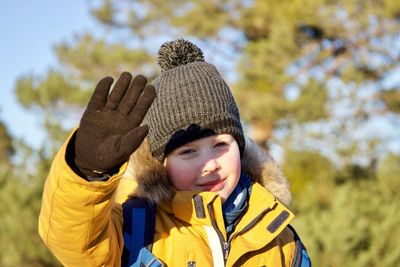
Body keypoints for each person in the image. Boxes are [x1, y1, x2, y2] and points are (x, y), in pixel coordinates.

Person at [39, 39, 311, 266]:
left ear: (240, 148)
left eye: (220, 145)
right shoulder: (134, 230)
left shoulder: (279, 236)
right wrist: (87, 172)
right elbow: (74, 244)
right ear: (161, 164)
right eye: (188, 152)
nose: (210, 165)